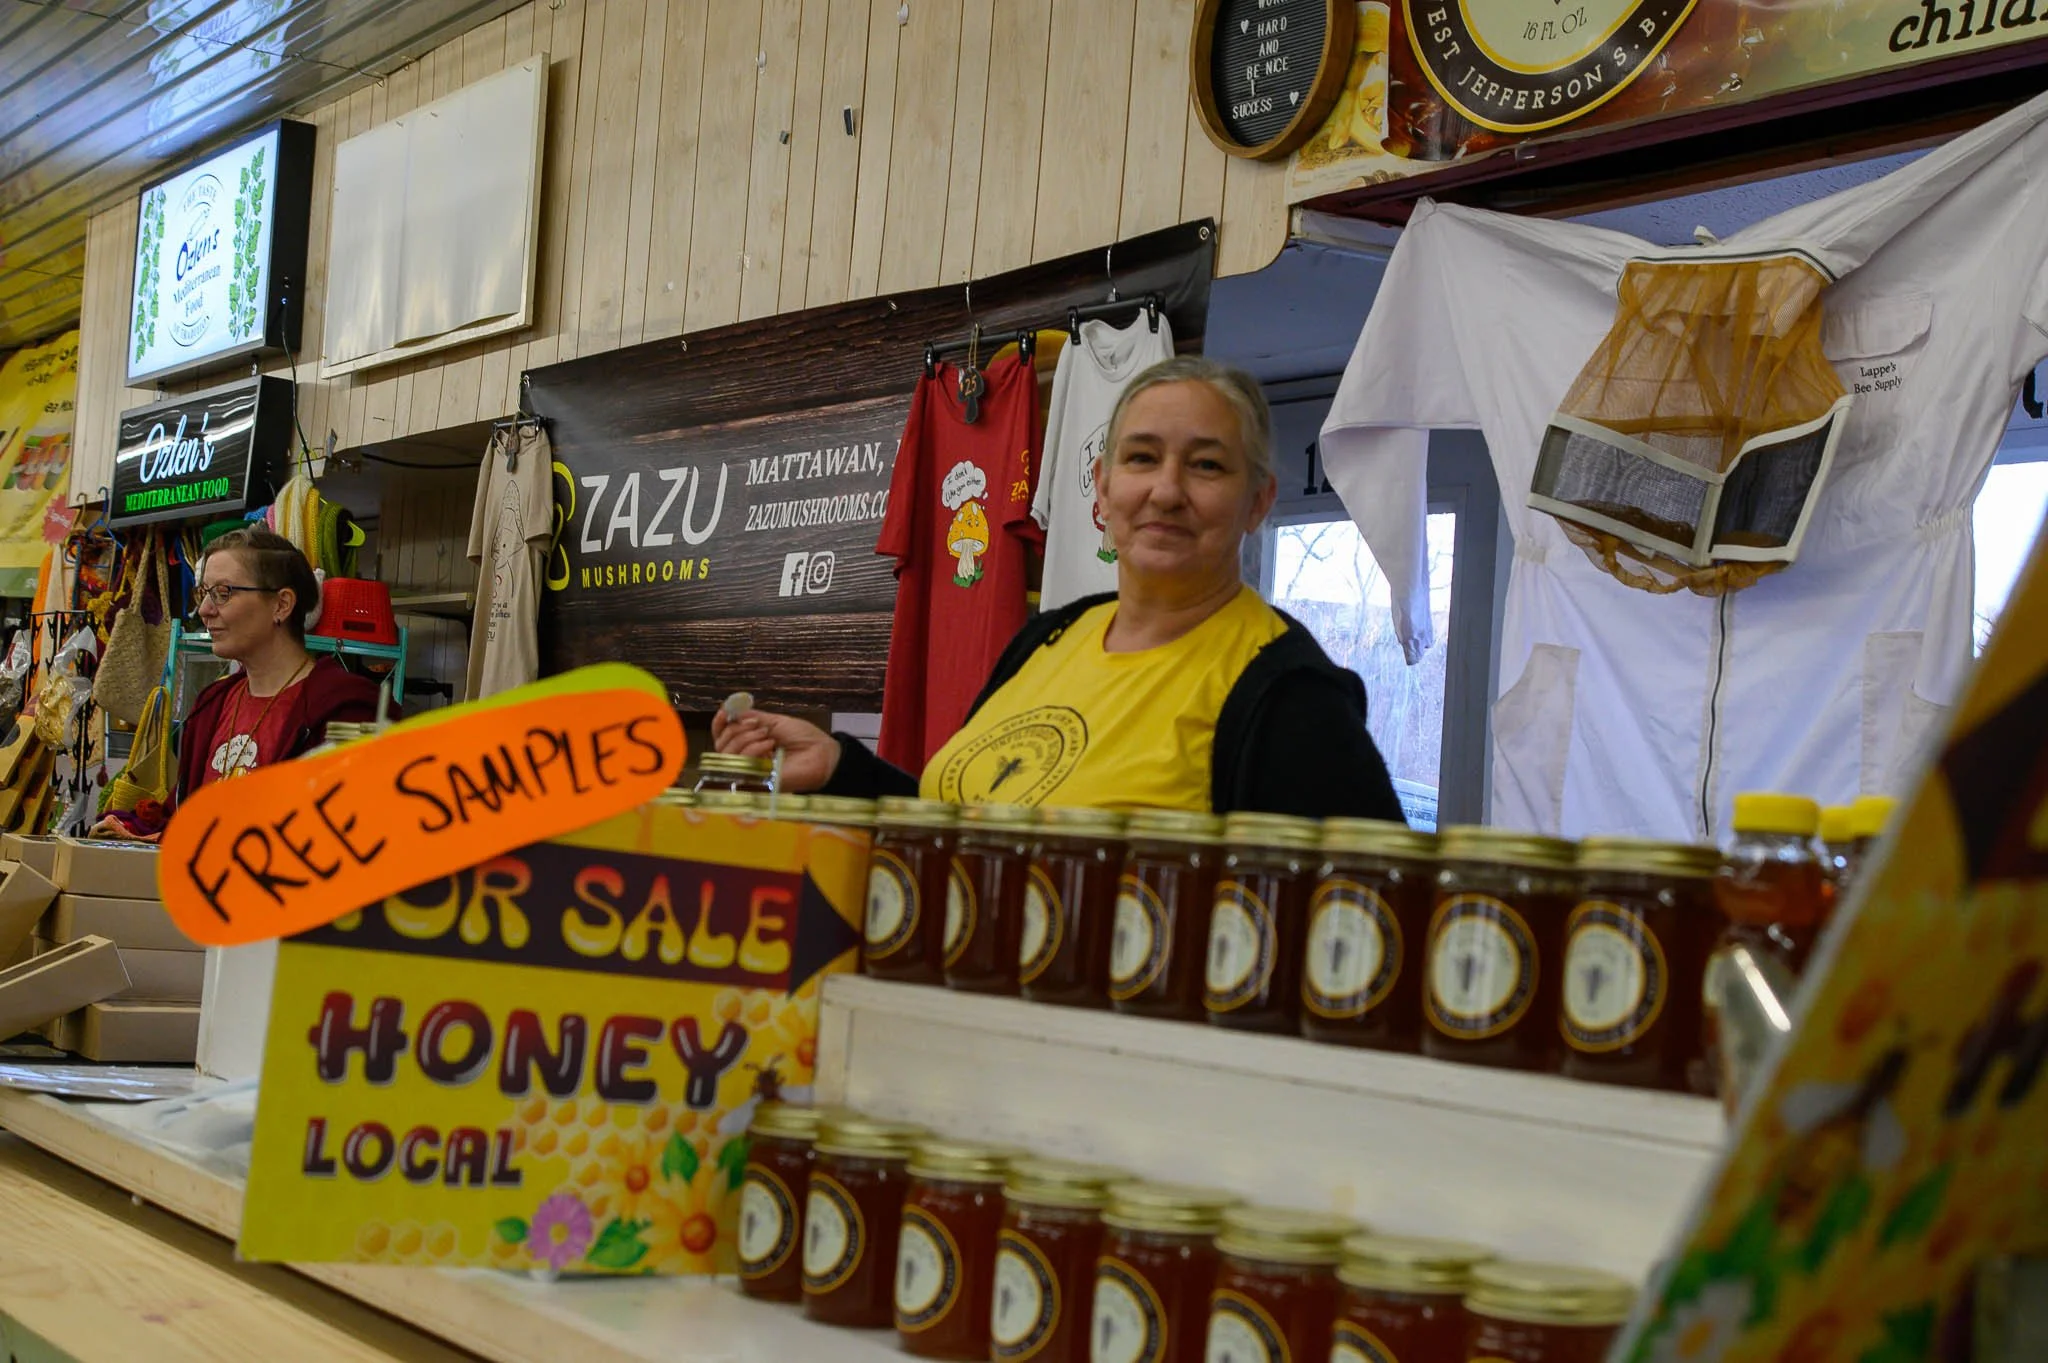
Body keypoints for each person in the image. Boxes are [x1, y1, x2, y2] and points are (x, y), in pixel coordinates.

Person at [715, 356, 1405, 820]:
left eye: (1206, 465)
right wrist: (842, 767)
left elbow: (1365, 928)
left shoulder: (1286, 692)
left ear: (1258, 502)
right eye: (1141, 458)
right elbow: (968, 830)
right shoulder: (1049, 637)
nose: (1166, 490)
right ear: (1103, 487)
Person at [174, 528, 388, 800]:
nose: (204, 609)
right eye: (203, 592)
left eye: (222, 592)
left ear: (281, 605)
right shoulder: (212, 704)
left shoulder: (349, 710)